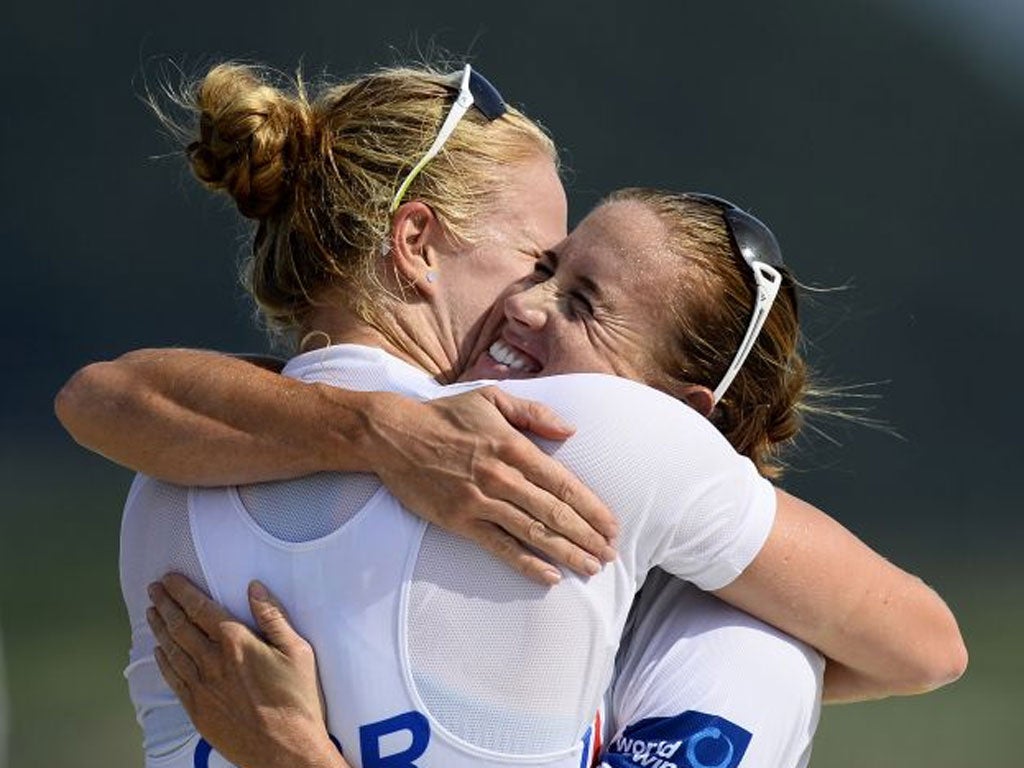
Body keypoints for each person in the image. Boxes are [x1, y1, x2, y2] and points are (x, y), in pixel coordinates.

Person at [56, 61, 965, 768]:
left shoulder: (170, 472)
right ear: (416, 244)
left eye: (565, 288)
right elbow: (925, 647)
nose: (529, 305)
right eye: (537, 260)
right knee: (767, 634)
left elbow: (100, 395)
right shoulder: (584, 436)